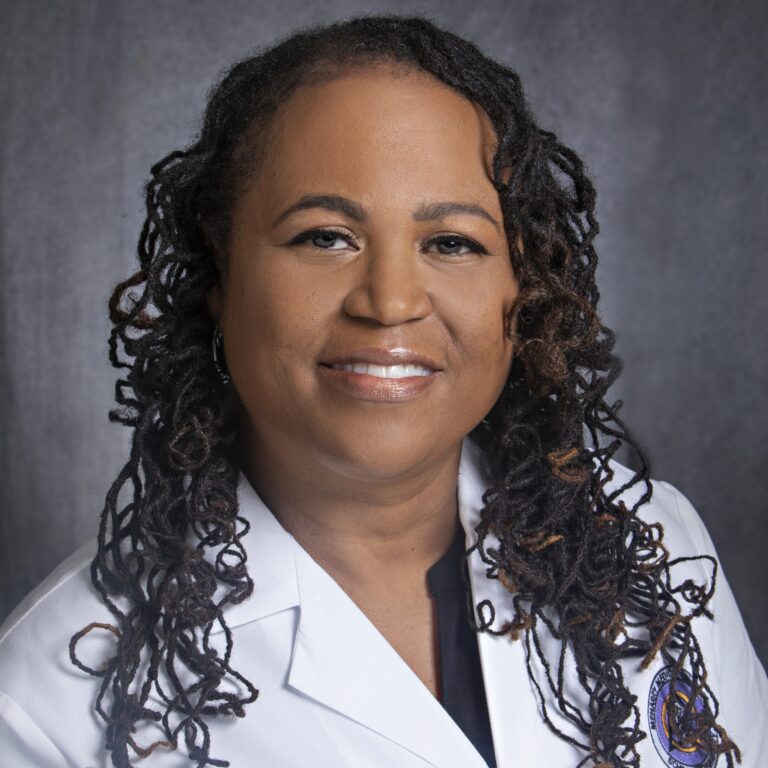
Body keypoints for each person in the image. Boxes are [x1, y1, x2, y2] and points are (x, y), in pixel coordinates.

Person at [0, 13, 765, 768]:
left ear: (524, 288)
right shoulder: (50, 699)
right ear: (219, 274)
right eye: (325, 237)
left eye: (452, 243)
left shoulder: (658, 548)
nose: (391, 301)